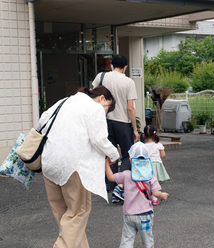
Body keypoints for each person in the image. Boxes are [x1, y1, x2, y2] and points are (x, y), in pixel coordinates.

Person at [39, 86, 120, 248]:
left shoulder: (65, 101)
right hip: (72, 166)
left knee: (68, 218)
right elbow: (99, 140)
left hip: (49, 162)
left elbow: (42, 120)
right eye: (107, 108)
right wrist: (114, 154)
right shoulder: (94, 108)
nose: (105, 111)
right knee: (79, 212)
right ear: (102, 98)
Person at [92, 54, 139, 203]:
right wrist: (135, 129)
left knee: (110, 155)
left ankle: (111, 186)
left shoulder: (102, 76)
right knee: (127, 155)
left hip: (105, 121)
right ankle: (122, 186)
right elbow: (130, 108)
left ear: (111, 65)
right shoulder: (128, 82)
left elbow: (93, 96)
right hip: (122, 123)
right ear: (125, 67)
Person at [105, 142, 169, 248]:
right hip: (145, 215)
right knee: (148, 241)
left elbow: (111, 177)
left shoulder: (126, 175)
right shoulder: (151, 177)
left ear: (130, 160)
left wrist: (107, 163)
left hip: (129, 215)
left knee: (127, 241)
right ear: (148, 160)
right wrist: (162, 195)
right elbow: (155, 193)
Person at [140, 125, 170, 205]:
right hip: (156, 165)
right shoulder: (158, 144)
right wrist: (158, 158)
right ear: (155, 134)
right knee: (155, 183)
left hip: (146, 166)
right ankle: (155, 199)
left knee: (148, 182)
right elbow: (163, 155)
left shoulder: (144, 146)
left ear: (145, 135)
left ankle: (149, 197)